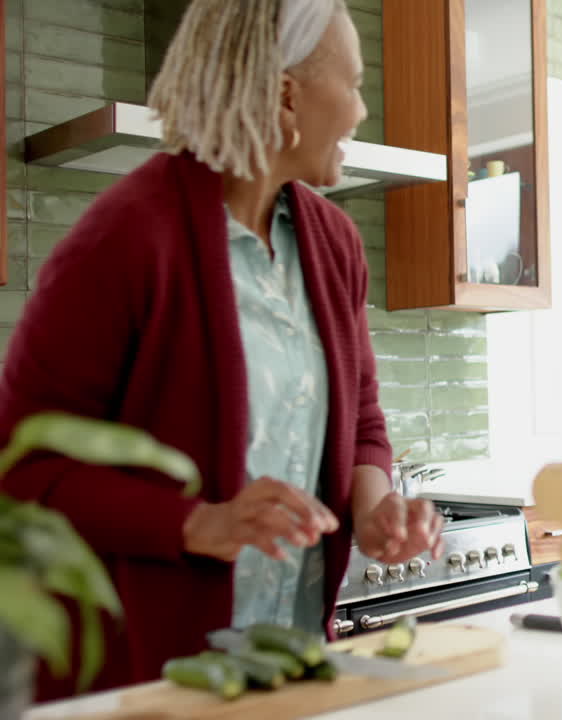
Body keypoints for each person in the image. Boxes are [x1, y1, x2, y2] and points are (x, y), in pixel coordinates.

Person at [0, 0, 444, 698]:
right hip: (150, 679)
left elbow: (362, 423)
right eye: (354, 85)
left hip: (288, 669)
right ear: (286, 93)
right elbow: (25, 470)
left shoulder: (335, 244)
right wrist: (197, 523)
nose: (360, 112)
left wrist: (375, 508)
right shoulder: (125, 237)